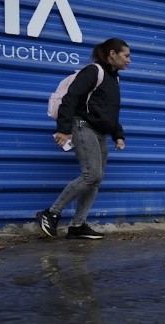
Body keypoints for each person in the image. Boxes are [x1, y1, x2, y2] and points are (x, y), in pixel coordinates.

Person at [36, 38, 130, 239]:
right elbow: (71, 98)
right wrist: (63, 129)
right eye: (126, 55)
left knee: (95, 180)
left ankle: (78, 226)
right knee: (92, 174)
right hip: (82, 127)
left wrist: (118, 134)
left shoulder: (115, 78)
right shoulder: (94, 71)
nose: (129, 60)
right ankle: (51, 213)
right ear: (112, 54)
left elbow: (109, 112)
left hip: (100, 132)